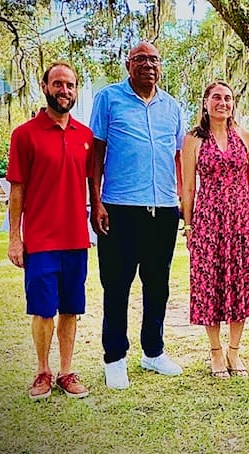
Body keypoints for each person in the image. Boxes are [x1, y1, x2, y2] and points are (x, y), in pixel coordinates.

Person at [89, 40, 185, 389]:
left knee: (157, 285)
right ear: (128, 65)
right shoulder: (108, 99)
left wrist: (182, 198)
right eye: (140, 59)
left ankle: (153, 352)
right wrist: (95, 200)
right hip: (119, 208)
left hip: (162, 209)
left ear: (161, 66)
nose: (148, 65)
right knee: (117, 285)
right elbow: (96, 154)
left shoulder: (172, 107)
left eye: (154, 59)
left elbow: (178, 157)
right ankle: (115, 357)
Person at [6, 62, 93, 400]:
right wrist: (15, 237)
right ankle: (42, 371)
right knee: (43, 310)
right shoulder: (24, 135)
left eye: (70, 85)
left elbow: (93, 183)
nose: (65, 91)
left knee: (71, 309)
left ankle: (66, 371)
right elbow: (17, 190)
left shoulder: (85, 137)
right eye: (58, 84)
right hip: (41, 241)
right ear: (44, 87)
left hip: (76, 239)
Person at [181, 81, 249, 378]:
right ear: (205, 102)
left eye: (228, 98)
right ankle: (215, 352)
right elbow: (189, 186)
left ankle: (234, 352)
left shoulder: (245, 136)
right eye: (216, 97)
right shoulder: (193, 139)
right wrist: (189, 225)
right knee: (211, 284)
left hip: (242, 218)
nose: (223, 102)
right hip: (208, 219)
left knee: (240, 283)